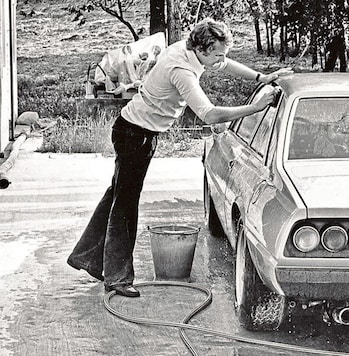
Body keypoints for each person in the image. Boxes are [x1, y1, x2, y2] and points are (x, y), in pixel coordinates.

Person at [67, 19, 293, 298]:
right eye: (218, 54)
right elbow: (208, 114)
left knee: (117, 196)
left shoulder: (189, 50)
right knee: (125, 205)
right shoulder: (182, 70)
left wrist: (261, 77)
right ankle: (117, 278)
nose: (222, 60)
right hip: (135, 136)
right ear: (202, 49)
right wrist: (255, 107)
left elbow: (223, 64)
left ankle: (87, 257)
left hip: (136, 131)